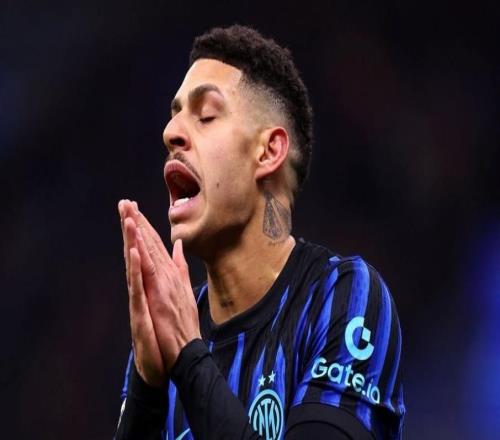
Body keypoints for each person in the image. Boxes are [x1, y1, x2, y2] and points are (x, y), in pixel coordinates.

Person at [115, 25, 405, 440]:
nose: (171, 132)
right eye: (174, 114)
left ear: (269, 152)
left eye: (206, 115)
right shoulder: (172, 332)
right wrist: (146, 390)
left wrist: (189, 358)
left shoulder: (344, 297)